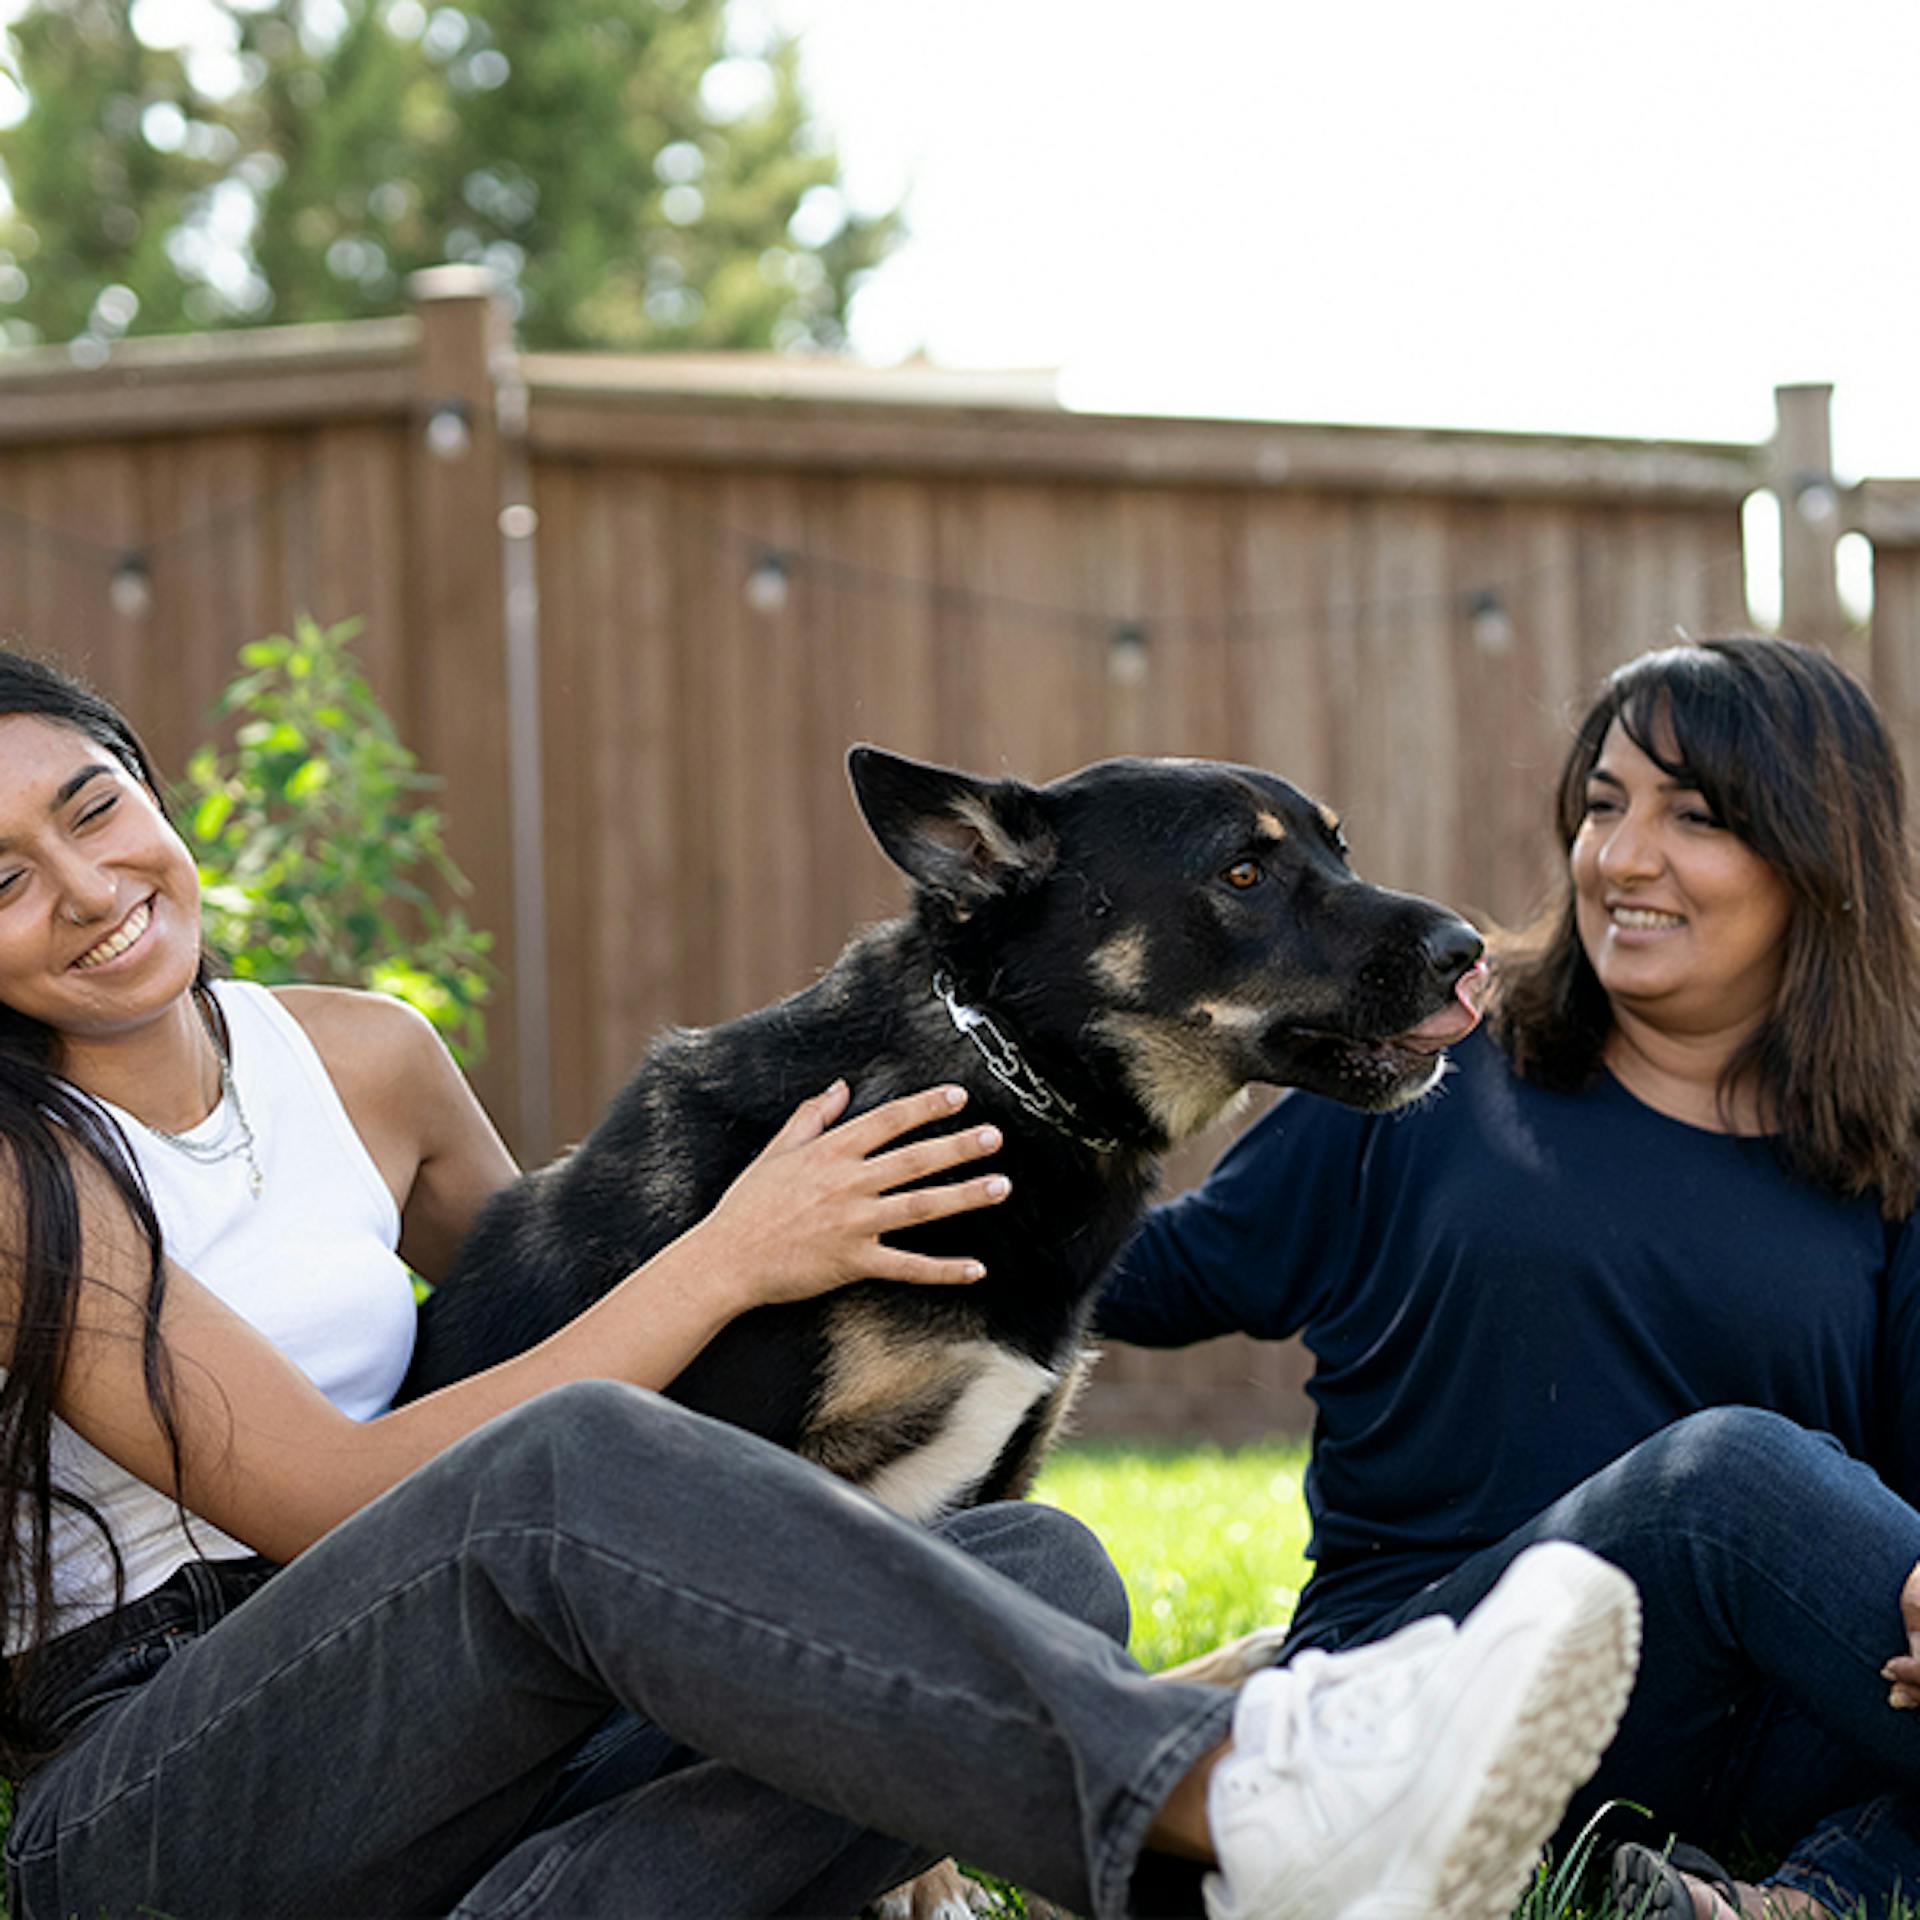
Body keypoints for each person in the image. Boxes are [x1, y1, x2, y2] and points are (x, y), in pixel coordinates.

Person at [0, 644, 1641, 1920]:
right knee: (571, 1458)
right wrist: (737, 1252)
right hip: (164, 1792)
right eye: (0, 877)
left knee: (1031, 1570)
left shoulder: (360, 1056)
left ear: (150, 790)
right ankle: (1240, 1804)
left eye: (91, 809)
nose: (83, 886)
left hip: (463, 1757)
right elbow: (330, 1495)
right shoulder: (16, 1169)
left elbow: (566, 1311)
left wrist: (746, 1228)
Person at [1096, 634, 1920, 1918]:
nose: (1622, 857)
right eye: (1602, 807)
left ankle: (1776, 1903)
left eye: (1693, 816)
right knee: (1729, 1483)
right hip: (1423, 1677)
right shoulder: (1434, 1061)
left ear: (1820, 858)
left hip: (1737, 1745)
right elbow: (1142, 1275)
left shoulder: (1893, 1155)